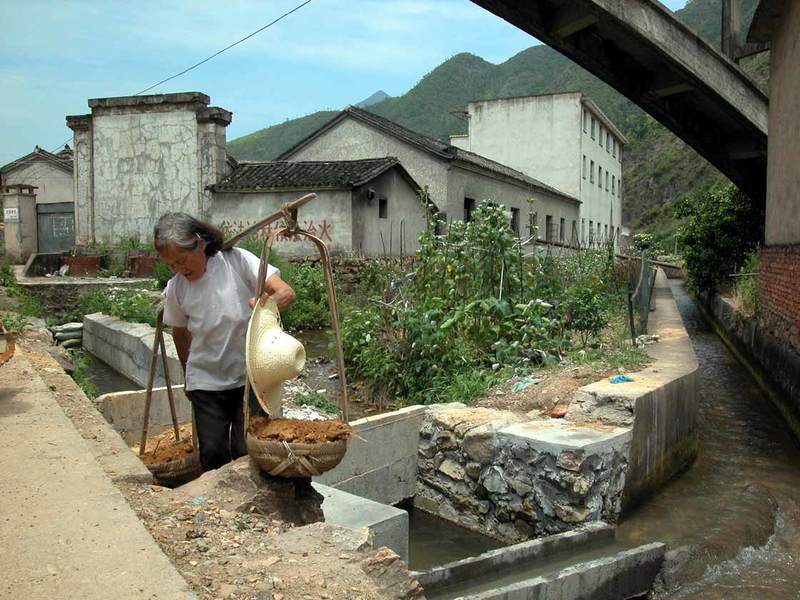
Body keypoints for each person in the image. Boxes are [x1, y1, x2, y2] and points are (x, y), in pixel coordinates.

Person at [154, 213, 295, 471]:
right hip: (206, 380)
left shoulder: (236, 261)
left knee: (247, 448)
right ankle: (219, 508)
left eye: (182, 260)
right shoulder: (177, 288)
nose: (179, 269)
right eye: (171, 265)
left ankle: (254, 506)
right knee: (212, 453)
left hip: (250, 376)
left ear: (200, 243)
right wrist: (189, 375)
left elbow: (284, 291)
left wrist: (269, 303)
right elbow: (180, 334)